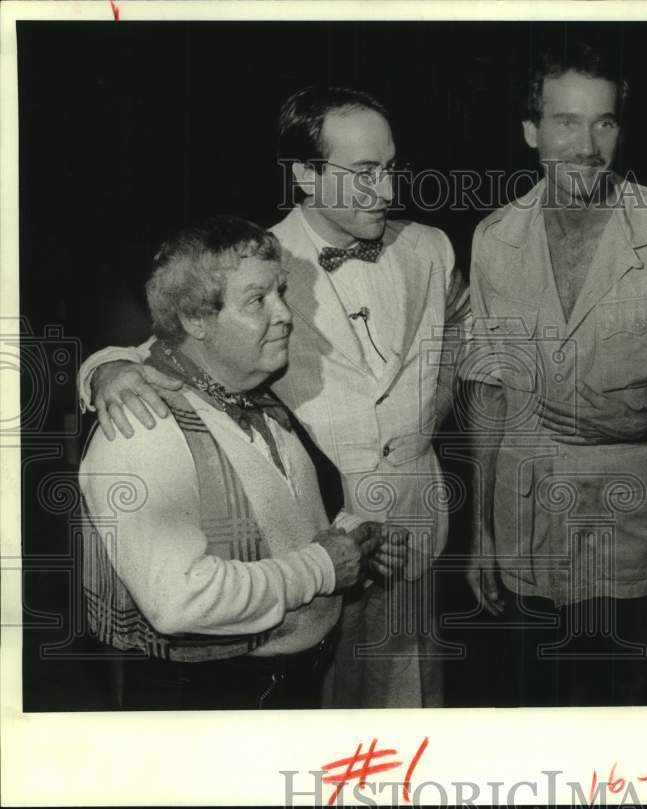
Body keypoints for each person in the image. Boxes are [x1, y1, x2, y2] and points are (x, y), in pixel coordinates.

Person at [77, 87, 468, 708]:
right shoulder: (252, 264)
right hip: (303, 546)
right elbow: (172, 342)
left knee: (406, 713)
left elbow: (459, 342)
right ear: (306, 176)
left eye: (391, 168)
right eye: (365, 173)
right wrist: (104, 373)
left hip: (414, 525)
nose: (389, 192)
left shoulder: (432, 249)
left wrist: (434, 403)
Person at [459, 39, 647, 706]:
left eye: (605, 122)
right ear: (532, 131)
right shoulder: (494, 238)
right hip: (525, 526)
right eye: (566, 122)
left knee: (632, 710)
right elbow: (486, 382)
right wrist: (478, 535)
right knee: (537, 706)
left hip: (635, 530)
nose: (588, 145)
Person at [79, 216, 407, 710]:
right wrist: (321, 567)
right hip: (208, 704)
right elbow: (178, 601)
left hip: (288, 686)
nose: (285, 314)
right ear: (195, 319)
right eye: (257, 300)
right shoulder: (141, 427)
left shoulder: (250, 392)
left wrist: (356, 542)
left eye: (281, 292)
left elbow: (279, 523)